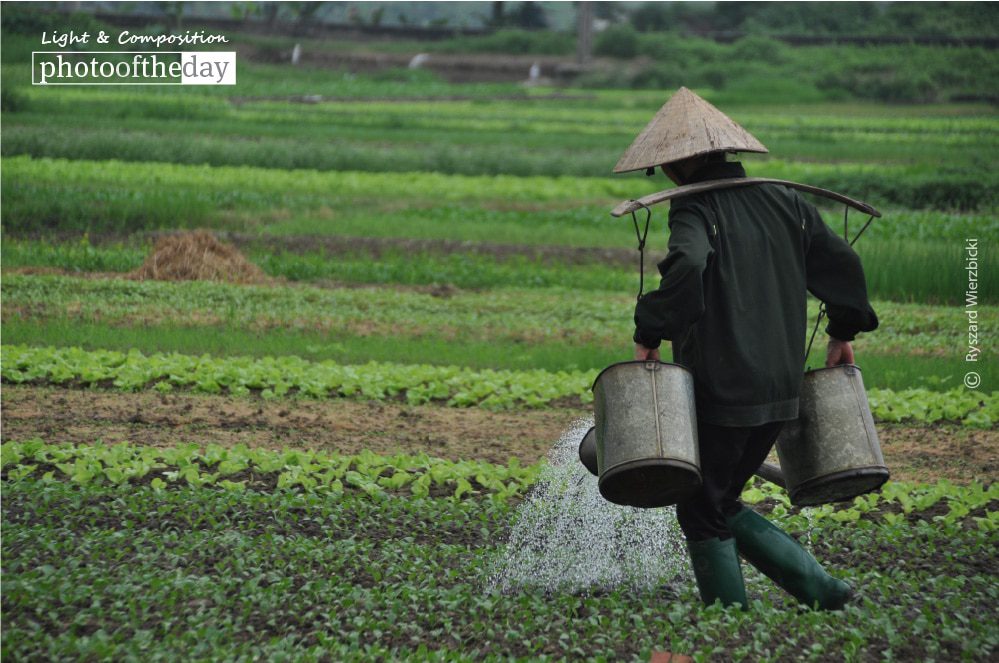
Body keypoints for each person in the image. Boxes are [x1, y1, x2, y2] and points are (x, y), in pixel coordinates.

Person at [615, 88, 878, 610]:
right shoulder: (786, 201)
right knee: (717, 496)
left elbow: (688, 264)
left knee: (700, 506)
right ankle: (824, 591)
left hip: (723, 385)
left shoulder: (695, 208)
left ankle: (732, 615)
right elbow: (841, 263)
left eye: (667, 165)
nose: (666, 174)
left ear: (684, 162)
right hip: (782, 385)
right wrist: (843, 331)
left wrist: (650, 330)